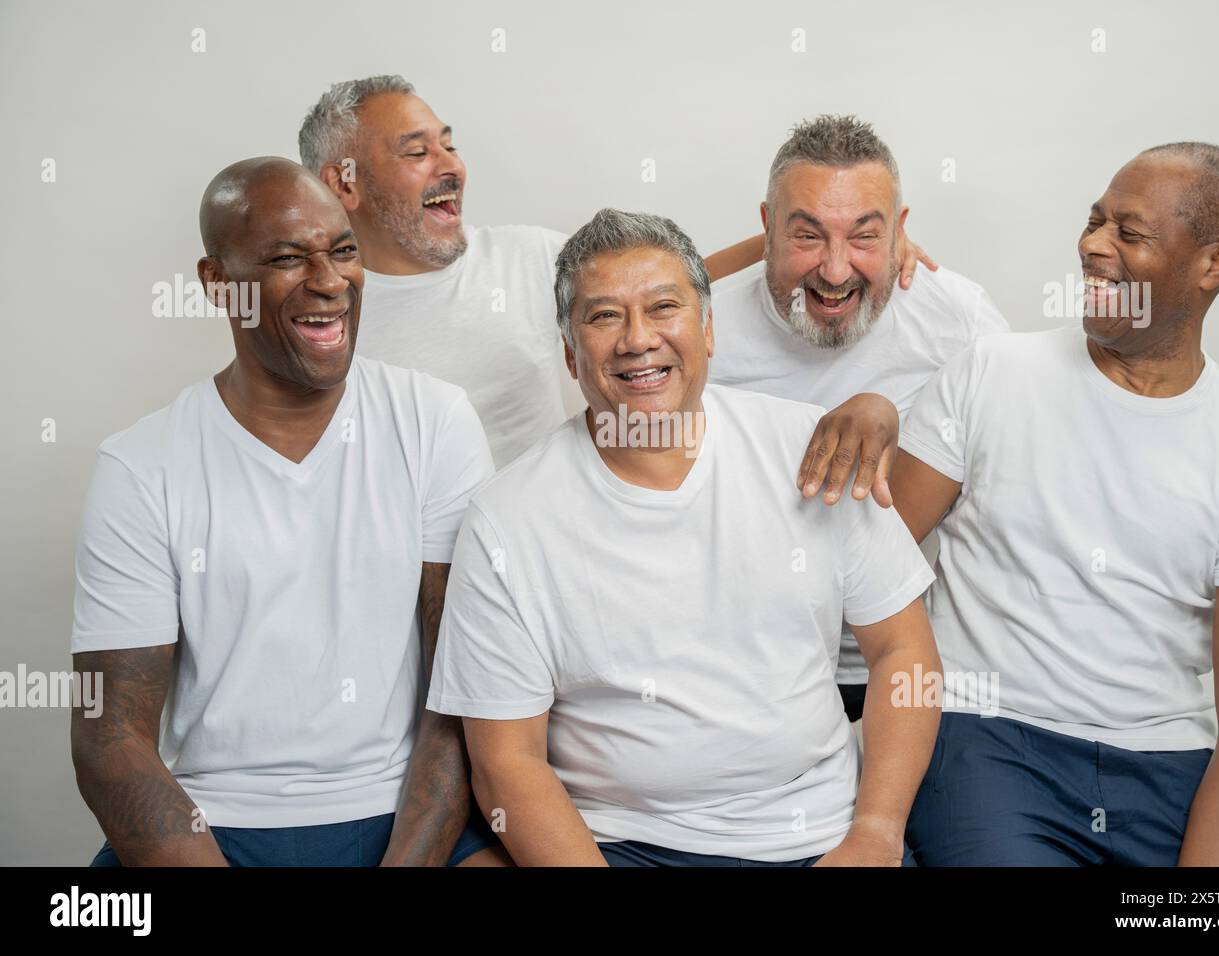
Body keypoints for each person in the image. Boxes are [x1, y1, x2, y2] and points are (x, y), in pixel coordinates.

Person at [427, 209, 942, 866]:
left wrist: (875, 830)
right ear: (568, 351)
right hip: (619, 845)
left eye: (663, 308)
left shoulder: (811, 449)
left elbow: (905, 655)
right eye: (604, 316)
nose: (638, 339)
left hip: (818, 835)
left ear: (707, 330)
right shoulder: (508, 517)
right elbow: (507, 761)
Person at [70, 158, 500, 866]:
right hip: (215, 828)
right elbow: (106, 735)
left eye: (342, 251)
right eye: (286, 259)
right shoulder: (141, 466)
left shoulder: (434, 421)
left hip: (407, 817)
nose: (329, 283)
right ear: (218, 284)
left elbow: (461, 692)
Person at [891, 143, 1219, 866]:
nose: (1091, 246)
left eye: (1128, 234)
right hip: (991, 740)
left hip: (1169, 763)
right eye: (1093, 221)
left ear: (1215, 262)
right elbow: (867, 559)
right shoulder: (994, 374)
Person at [300, 80, 936, 467]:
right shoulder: (317, 315)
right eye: (418, 151)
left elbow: (675, 287)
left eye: (449, 143)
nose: (451, 165)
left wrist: (845, 241)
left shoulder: (523, 259)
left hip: (542, 550)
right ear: (342, 183)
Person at [706, 115, 1009, 720]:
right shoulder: (699, 326)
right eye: (807, 236)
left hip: (911, 663)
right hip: (740, 665)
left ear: (900, 231)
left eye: (865, 237)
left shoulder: (959, 320)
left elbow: (1008, 496)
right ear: (766, 227)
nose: (836, 271)